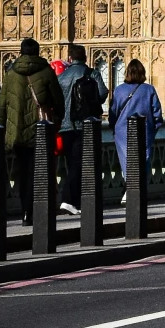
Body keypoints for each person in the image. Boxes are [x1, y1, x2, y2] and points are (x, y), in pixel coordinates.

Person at [0, 36, 64, 223]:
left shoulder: (11, 74)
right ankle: (38, 210)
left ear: (20, 52)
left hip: (17, 132)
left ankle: (25, 211)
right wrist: (56, 120)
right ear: (37, 52)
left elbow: (1, 105)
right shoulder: (46, 72)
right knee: (40, 172)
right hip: (41, 132)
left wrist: (2, 131)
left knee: (23, 173)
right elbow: (58, 101)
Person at [56, 43, 106, 214]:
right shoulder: (92, 73)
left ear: (70, 59)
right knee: (83, 163)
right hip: (85, 125)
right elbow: (102, 93)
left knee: (71, 162)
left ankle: (75, 201)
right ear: (85, 58)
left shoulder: (61, 77)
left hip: (65, 126)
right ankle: (68, 199)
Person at [109, 58, 164, 181]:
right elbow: (157, 115)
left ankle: (129, 188)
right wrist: (151, 130)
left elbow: (113, 113)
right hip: (145, 131)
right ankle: (140, 189)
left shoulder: (119, 90)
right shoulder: (149, 89)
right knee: (144, 160)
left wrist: (115, 129)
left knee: (127, 161)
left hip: (122, 132)